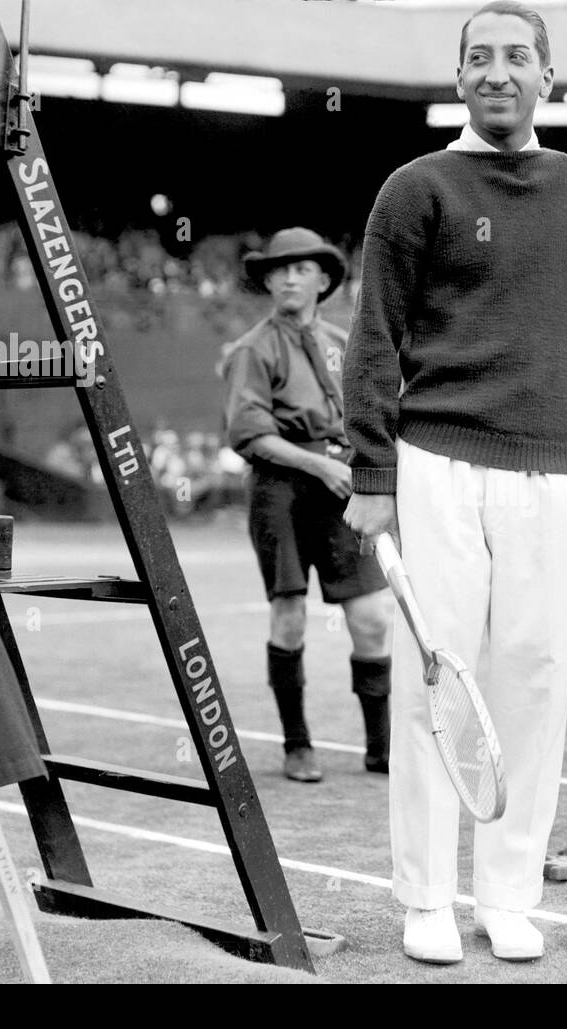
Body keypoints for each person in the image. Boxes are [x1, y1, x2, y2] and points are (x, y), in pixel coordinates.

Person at [342, 1, 567, 965]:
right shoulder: (414, 187)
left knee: (537, 681)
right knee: (439, 686)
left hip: (557, 466)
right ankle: (425, 898)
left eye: (517, 57)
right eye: (479, 58)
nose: (498, 72)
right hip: (437, 462)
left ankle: (508, 895)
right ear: (459, 78)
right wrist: (372, 473)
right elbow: (374, 335)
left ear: (549, 75)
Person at [221, 227, 393, 783]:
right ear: (268, 281)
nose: (291, 277)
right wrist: (320, 465)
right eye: (280, 269)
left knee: (370, 617)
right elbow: (248, 434)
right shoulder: (253, 349)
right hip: (282, 489)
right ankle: (298, 745)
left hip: (343, 485)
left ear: (323, 281)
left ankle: (381, 747)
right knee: (289, 614)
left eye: (303, 269)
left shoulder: (343, 343)